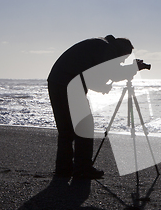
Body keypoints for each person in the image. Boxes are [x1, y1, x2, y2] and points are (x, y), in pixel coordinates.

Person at [47, 35, 137, 179]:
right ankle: (82, 168)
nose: (121, 62)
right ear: (120, 51)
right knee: (85, 127)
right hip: (70, 84)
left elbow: (91, 73)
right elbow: (112, 73)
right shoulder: (107, 49)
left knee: (66, 130)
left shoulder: (101, 45)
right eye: (123, 59)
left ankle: (63, 170)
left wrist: (101, 86)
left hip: (56, 81)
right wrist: (133, 68)